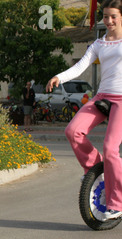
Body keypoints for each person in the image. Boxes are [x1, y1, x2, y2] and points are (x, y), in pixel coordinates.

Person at [46, 0, 122, 222]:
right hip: (102, 97)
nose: (108, 21)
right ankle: (97, 168)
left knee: (111, 149)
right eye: (105, 16)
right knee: (73, 130)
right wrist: (59, 77)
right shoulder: (99, 43)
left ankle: (117, 203)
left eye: (113, 16)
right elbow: (80, 66)